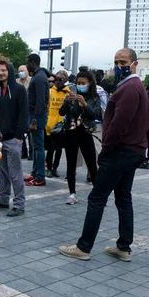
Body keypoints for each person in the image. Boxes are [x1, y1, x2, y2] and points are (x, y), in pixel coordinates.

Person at [59, 48, 149, 262]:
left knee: (97, 198)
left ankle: (84, 247)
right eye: (116, 62)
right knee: (123, 198)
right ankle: (124, 247)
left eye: (123, 62)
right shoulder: (135, 87)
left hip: (120, 151)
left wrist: (106, 147)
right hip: (131, 151)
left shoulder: (129, 88)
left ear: (134, 64)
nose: (119, 66)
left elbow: (119, 123)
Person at [0, 55, 29, 217]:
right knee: (3, 171)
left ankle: (19, 204)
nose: (1, 73)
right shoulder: (0, 91)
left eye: (3, 70)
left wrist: (19, 135)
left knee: (15, 173)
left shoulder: (19, 90)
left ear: (9, 71)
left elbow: (23, 113)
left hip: (13, 138)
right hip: (1, 138)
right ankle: (3, 198)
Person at [59, 71, 102, 206]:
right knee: (71, 165)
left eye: (83, 83)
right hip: (71, 133)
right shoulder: (71, 95)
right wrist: (67, 102)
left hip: (86, 134)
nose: (80, 86)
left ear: (89, 84)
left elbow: (95, 115)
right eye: (78, 83)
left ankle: (97, 194)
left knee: (92, 164)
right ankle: (72, 194)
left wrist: (85, 104)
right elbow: (61, 112)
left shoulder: (94, 98)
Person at [25, 54, 49, 186]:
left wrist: (34, 120)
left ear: (33, 62)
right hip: (35, 115)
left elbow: (41, 100)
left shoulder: (39, 78)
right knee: (35, 146)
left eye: (27, 63)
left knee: (39, 147)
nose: (27, 66)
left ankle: (40, 177)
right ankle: (35, 173)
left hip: (37, 117)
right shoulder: (39, 76)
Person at [45, 70, 70, 179]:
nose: (58, 82)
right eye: (57, 79)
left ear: (65, 80)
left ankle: (55, 168)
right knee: (50, 149)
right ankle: (49, 168)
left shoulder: (68, 93)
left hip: (62, 125)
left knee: (59, 149)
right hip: (51, 124)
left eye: (61, 79)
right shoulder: (50, 92)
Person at [18, 64, 33, 159]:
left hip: (29, 110)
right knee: (20, 132)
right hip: (19, 111)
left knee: (30, 133)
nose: (21, 73)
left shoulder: (32, 81)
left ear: (27, 71)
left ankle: (31, 152)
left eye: (22, 70)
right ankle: (23, 152)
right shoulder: (16, 81)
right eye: (19, 71)